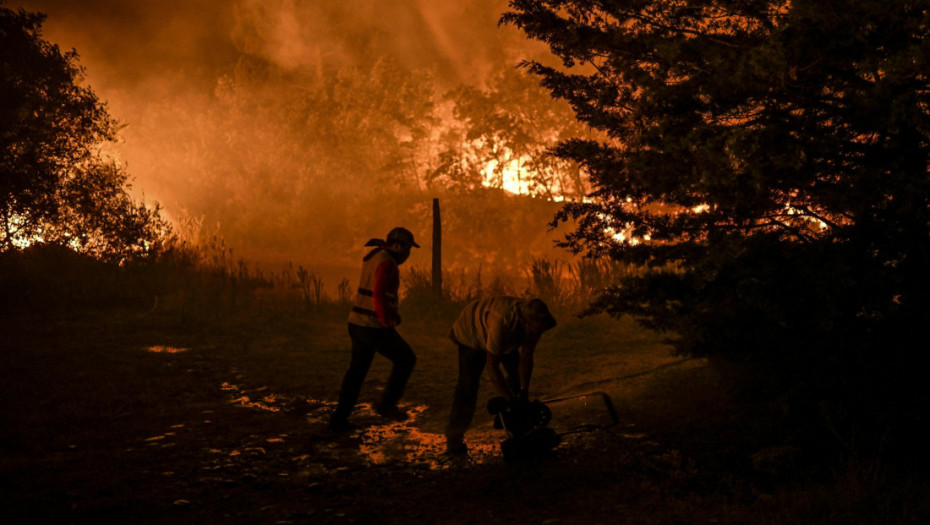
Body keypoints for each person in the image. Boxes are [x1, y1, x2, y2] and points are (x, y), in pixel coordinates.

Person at [329, 227, 420, 433]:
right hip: (371, 325)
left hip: (357, 322)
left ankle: (338, 420)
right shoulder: (387, 262)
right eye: (407, 248)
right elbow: (378, 295)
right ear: (398, 246)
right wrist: (386, 321)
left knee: (356, 372)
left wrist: (390, 314)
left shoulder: (375, 256)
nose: (407, 254)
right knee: (406, 359)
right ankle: (387, 405)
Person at [444, 296, 557, 454]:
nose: (538, 333)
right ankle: (454, 438)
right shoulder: (502, 324)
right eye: (536, 329)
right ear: (525, 323)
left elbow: (526, 356)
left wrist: (524, 391)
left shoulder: (534, 324)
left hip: (501, 336)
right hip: (471, 331)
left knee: (515, 378)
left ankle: (519, 427)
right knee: (468, 385)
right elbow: (492, 367)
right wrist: (510, 399)